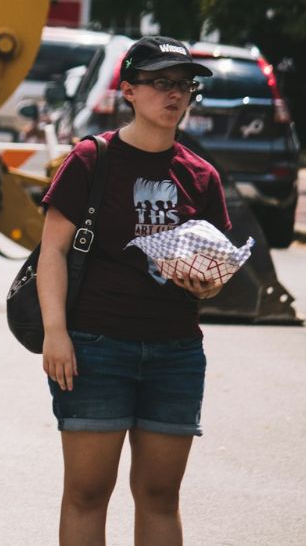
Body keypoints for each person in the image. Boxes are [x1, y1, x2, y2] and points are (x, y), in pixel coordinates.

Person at [38, 36, 229, 545]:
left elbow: (214, 272)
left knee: (160, 495)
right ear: (128, 91)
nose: (175, 95)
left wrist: (207, 284)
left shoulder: (201, 176)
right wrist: (55, 332)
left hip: (176, 354)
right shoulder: (91, 159)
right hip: (96, 348)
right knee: (87, 492)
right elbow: (52, 251)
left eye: (184, 85)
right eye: (161, 83)